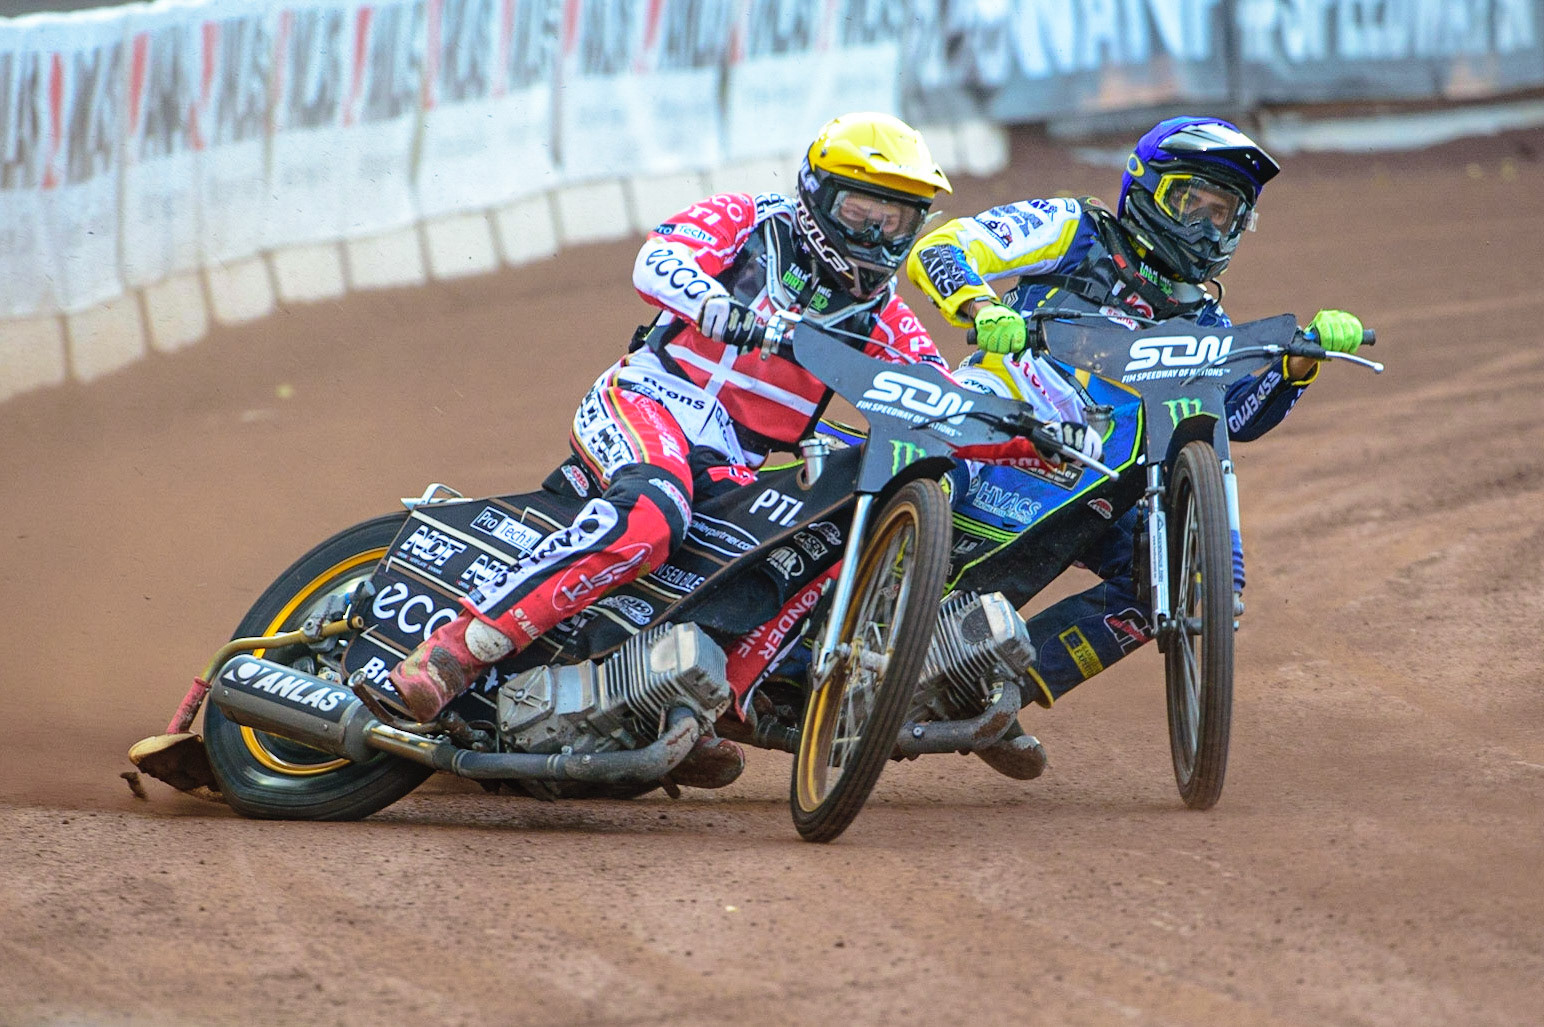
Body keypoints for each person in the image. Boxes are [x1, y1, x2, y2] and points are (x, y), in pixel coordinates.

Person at [375, 113, 968, 789]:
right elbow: (657, 261)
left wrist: (1025, 426)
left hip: (732, 460)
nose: (876, 234)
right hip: (650, 399)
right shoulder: (750, 220)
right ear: (816, 194)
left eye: (896, 221)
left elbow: (936, 388)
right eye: (861, 213)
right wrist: (717, 306)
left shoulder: (884, 313)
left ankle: (703, 700)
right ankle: (453, 652)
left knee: (810, 538)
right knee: (654, 515)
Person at [905, 116, 1366, 750]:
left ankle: (990, 689)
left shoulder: (1205, 318)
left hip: (1090, 478)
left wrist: (1295, 369)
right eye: (1191, 204)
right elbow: (943, 246)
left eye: (1223, 214)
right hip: (993, 427)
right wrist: (980, 306)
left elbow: (1232, 418)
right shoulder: (1074, 228)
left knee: (1167, 573)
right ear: (1145, 189)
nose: (1206, 228)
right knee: (923, 461)